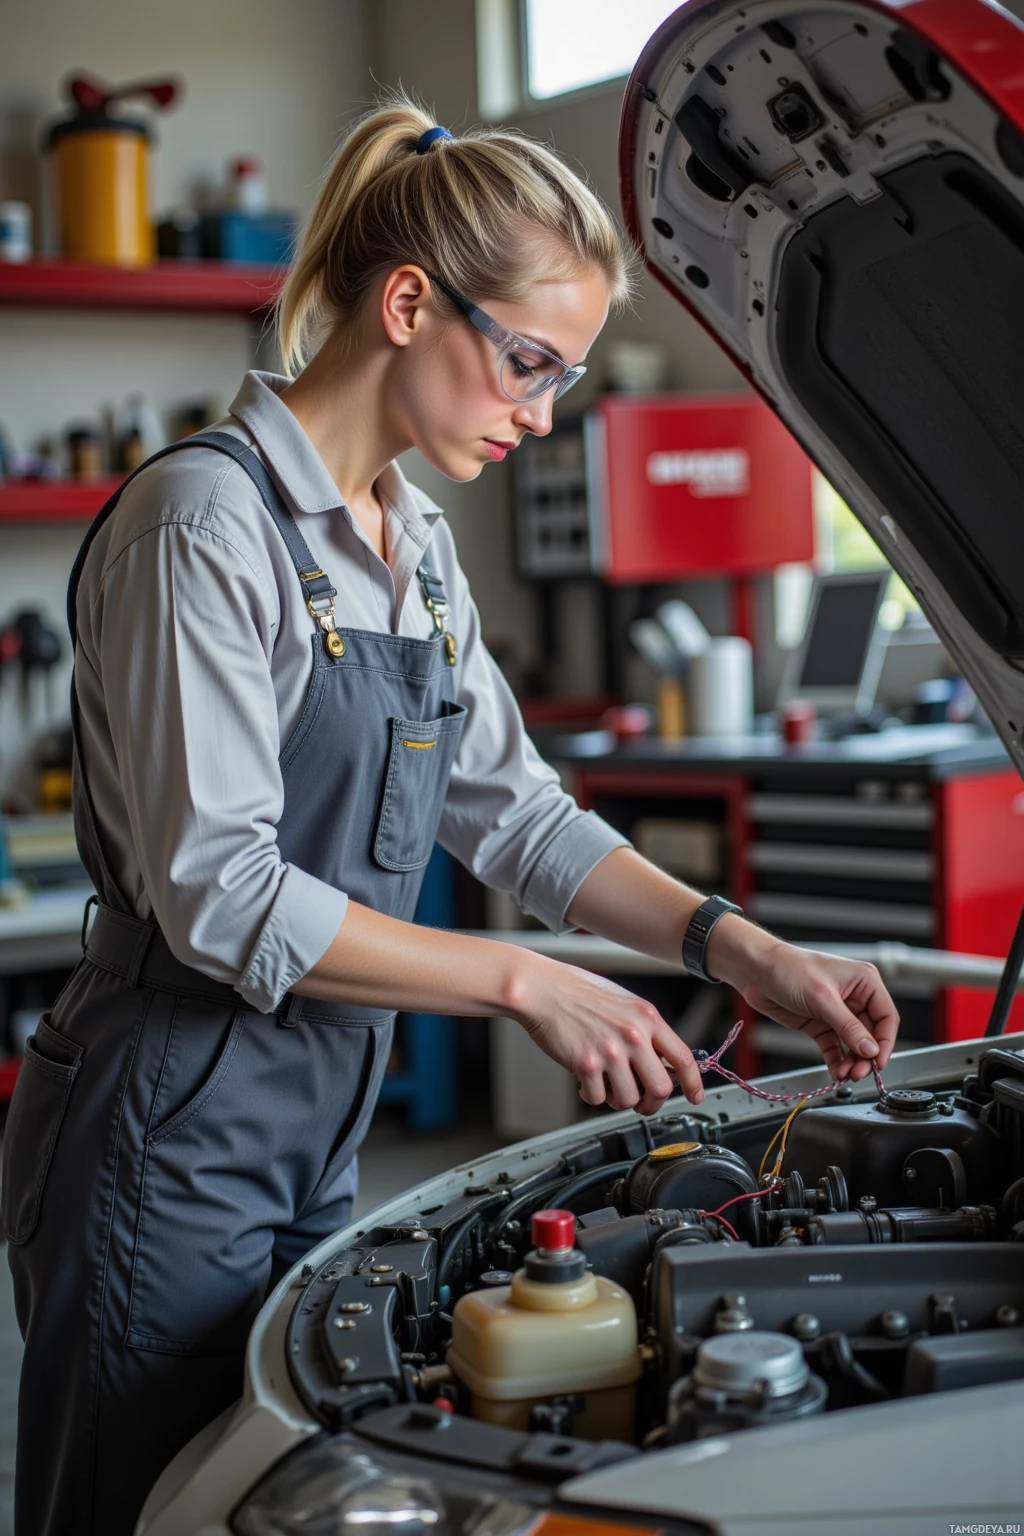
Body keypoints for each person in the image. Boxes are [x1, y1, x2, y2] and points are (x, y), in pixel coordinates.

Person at [3, 95, 899, 1536]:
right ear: (411, 301)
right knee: (133, 1501)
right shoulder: (205, 526)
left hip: (318, 1114)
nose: (541, 415)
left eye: (568, 379)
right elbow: (221, 894)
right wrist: (527, 983)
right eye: (530, 364)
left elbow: (520, 820)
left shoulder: (412, 548)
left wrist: (742, 948)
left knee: (274, 1495)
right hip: (168, 1120)